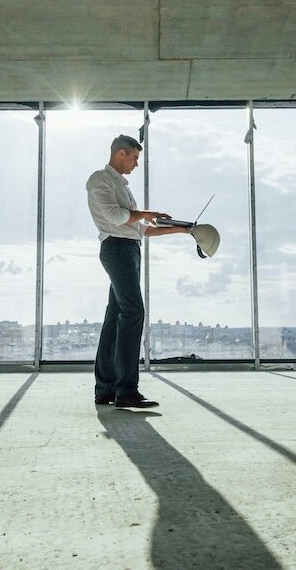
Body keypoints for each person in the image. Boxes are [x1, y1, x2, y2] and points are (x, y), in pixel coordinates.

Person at [87, 135, 189, 408]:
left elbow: (139, 229)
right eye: (134, 158)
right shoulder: (100, 180)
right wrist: (145, 212)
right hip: (117, 250)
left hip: (128, 249)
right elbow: (117, 217)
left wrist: (179, 229)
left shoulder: (122, 186)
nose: (135, 164)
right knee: (133, 312)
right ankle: (126, 391)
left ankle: (106, 390)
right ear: (120, 153)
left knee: (114, 319)